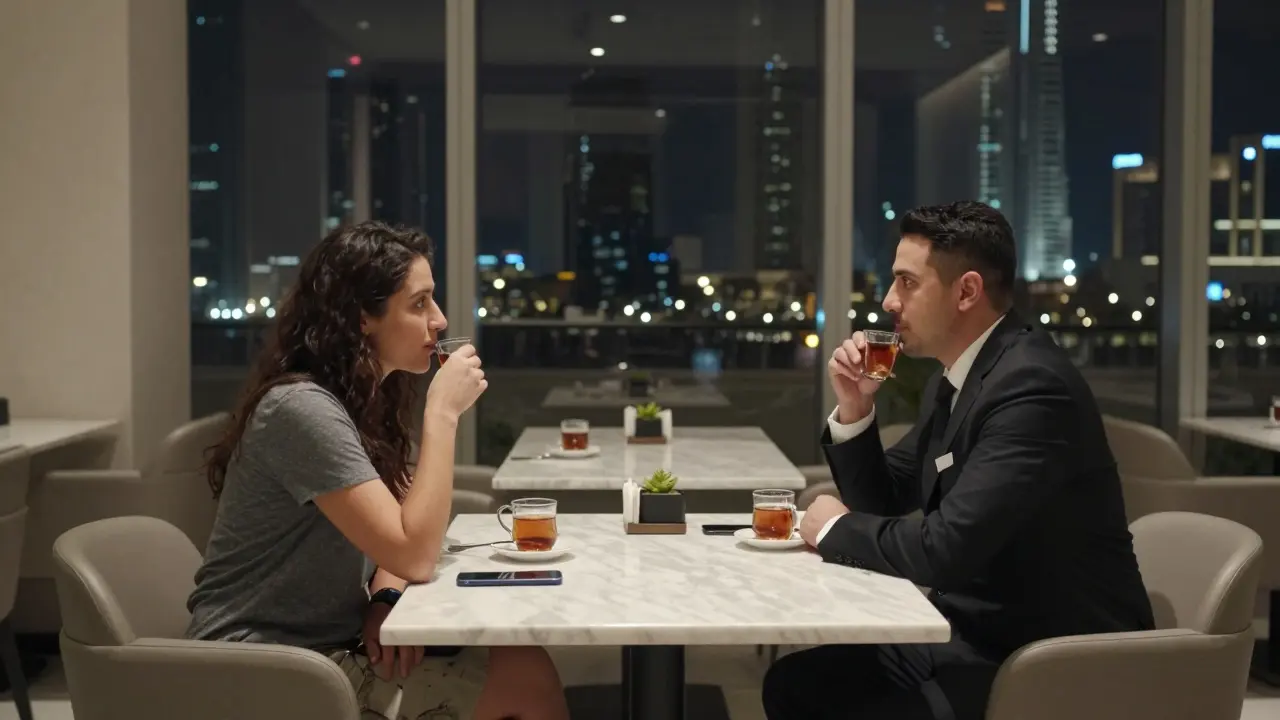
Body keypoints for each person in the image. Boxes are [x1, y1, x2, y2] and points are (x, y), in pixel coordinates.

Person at [763, 201, 1154, 720]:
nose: (888, 300)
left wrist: (836, 528)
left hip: (1047, 662)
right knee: (795, 685)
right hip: (968, 636)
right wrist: (855, 409)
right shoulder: (960, 378)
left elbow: (944, 549)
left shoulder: (1032, 389)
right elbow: (885, 497)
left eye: (907, 282)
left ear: (967, 291)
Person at [188, 222, 569, 720]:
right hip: (257, 667)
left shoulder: (361, 401)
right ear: (362, 317)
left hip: (322, 647)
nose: (439, 320)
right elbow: (417, 554)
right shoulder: (301, 408)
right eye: (419, 304)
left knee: (522, 661)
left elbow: (401, 530)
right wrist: (442, 413)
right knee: (528, 681)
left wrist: (384, 597)